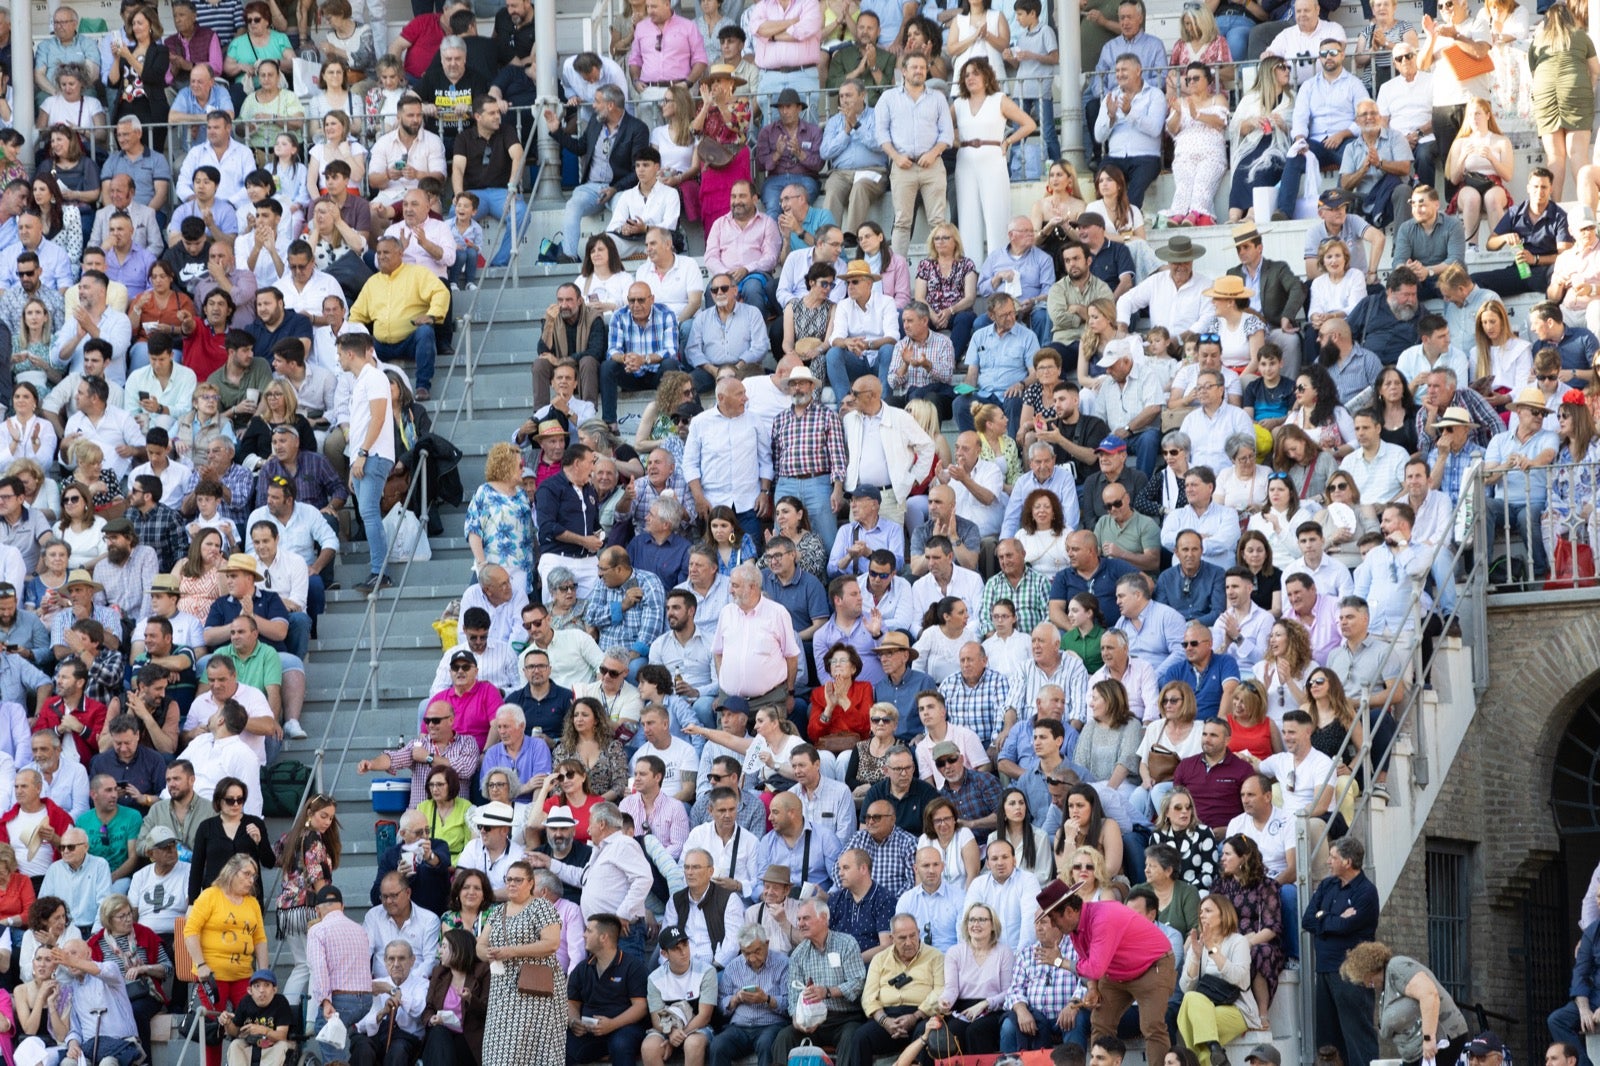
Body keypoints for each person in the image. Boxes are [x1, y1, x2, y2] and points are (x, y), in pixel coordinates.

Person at [1036, 879, 1176, 1061]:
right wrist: (1093, 989)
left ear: (1069, 911)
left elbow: (1094, 969)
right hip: (1118, 971)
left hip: (1153, 964)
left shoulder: (1102, 918)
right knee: (1100, 1022)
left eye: (1054, 919)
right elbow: (1087, 961)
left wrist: (1059, 961)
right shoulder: (1074, 928)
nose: (1053, 925)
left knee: (1152, 1026)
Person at [1304, 836, 1381, 1066]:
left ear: (1347, 862)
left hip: (1353, 974)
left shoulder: (1366, 892)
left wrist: (1324, 918)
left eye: (1333, 857)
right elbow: (1308, 920)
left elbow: (1347, 926)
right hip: (1325, 970)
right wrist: (1333, 918)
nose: (1328, 861)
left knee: (1357, 1037)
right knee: (1327, 1041)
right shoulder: (1328, 885)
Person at [185, 854, 268, 1066]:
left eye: (254, 876)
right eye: (247, 874)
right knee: (215, 1028)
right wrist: (200, 964)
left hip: (244, 976)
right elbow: (191, 931)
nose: (251, 880)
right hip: (213, 976)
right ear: (231, 872)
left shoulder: (252, 903)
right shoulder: (210, 896)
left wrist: (263, 975)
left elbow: (259, 938)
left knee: (251, 1026)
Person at [1341, 939, 1470, 1066]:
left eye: (1364, 978)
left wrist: (1428, 1039)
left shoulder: (1397, 967)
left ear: (1368, 968)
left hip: (1440, 1041)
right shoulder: (1386, 987)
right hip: (1416, 1053)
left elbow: (1429, 994)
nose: (1366, 984)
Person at [564, 913, 650, 1066]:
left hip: (624, 1028)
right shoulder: (582, 968)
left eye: (589, 931)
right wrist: (574, 1021)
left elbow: (641, 1007)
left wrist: (612, 1024)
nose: (584, 935)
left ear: (604, 937)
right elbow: (572, 1002)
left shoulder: (632, 965)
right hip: (589, 1031)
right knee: (560, 1043)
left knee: (621, 1044)